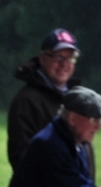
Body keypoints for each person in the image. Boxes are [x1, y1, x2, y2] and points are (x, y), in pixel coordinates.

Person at [8, 29, 90, 173]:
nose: (64, 64)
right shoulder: (27, 101)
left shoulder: (76, 101)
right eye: (58, 57)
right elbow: (22, 158)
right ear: (42, 58)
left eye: (70, 58)